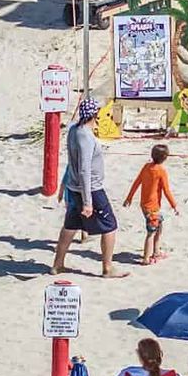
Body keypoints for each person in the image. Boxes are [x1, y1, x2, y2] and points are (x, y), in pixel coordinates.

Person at [53, 98, 127, 277]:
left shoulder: (73, 129)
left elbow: (73, 161)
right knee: (110, 226)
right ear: (94, 115)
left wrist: (65, 185)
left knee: (70, 226)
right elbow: (84, 168)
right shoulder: (85, 136)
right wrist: (88, 202)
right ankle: (107, 268)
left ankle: (58, 264)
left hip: (74, 187)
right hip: (90, 189)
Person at [123, 143, 179, 266]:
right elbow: (166, 190)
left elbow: (137, 182)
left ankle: (156, 252)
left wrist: (129, 198)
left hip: (144, 205)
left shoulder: (146, 167)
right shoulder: (160, 171)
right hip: (152, 207)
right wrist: (174, 205)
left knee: (159, 226)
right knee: (151, 232)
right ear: (165, 157)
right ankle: (146, 258)